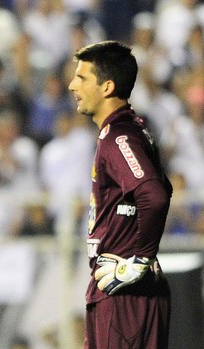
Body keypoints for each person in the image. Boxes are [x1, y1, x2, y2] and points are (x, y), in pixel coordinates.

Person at [68, 41, 173, 348]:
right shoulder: (131, 129)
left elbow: (153, 195)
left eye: (82, 78)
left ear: (107, 86)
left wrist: (138, 260)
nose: (72, 85)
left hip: (124, 291)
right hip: (128, 288)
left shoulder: (119, 136)